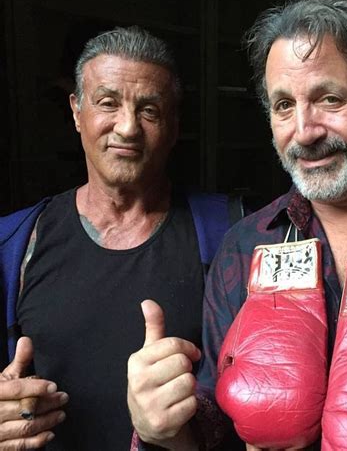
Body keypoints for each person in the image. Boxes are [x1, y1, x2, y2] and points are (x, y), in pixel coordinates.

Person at [127, 0, 347, 451]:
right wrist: (164, 427)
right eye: (283, 105)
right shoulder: (244, 246)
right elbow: (217, 426)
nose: (304, 131)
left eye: (329, 99)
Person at [0, 26, 244, 450]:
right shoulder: (16, 244)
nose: (128, 128)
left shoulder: (232, 236)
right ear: (76, 111)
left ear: (173, 125)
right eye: (107, 103)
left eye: (149, 110)